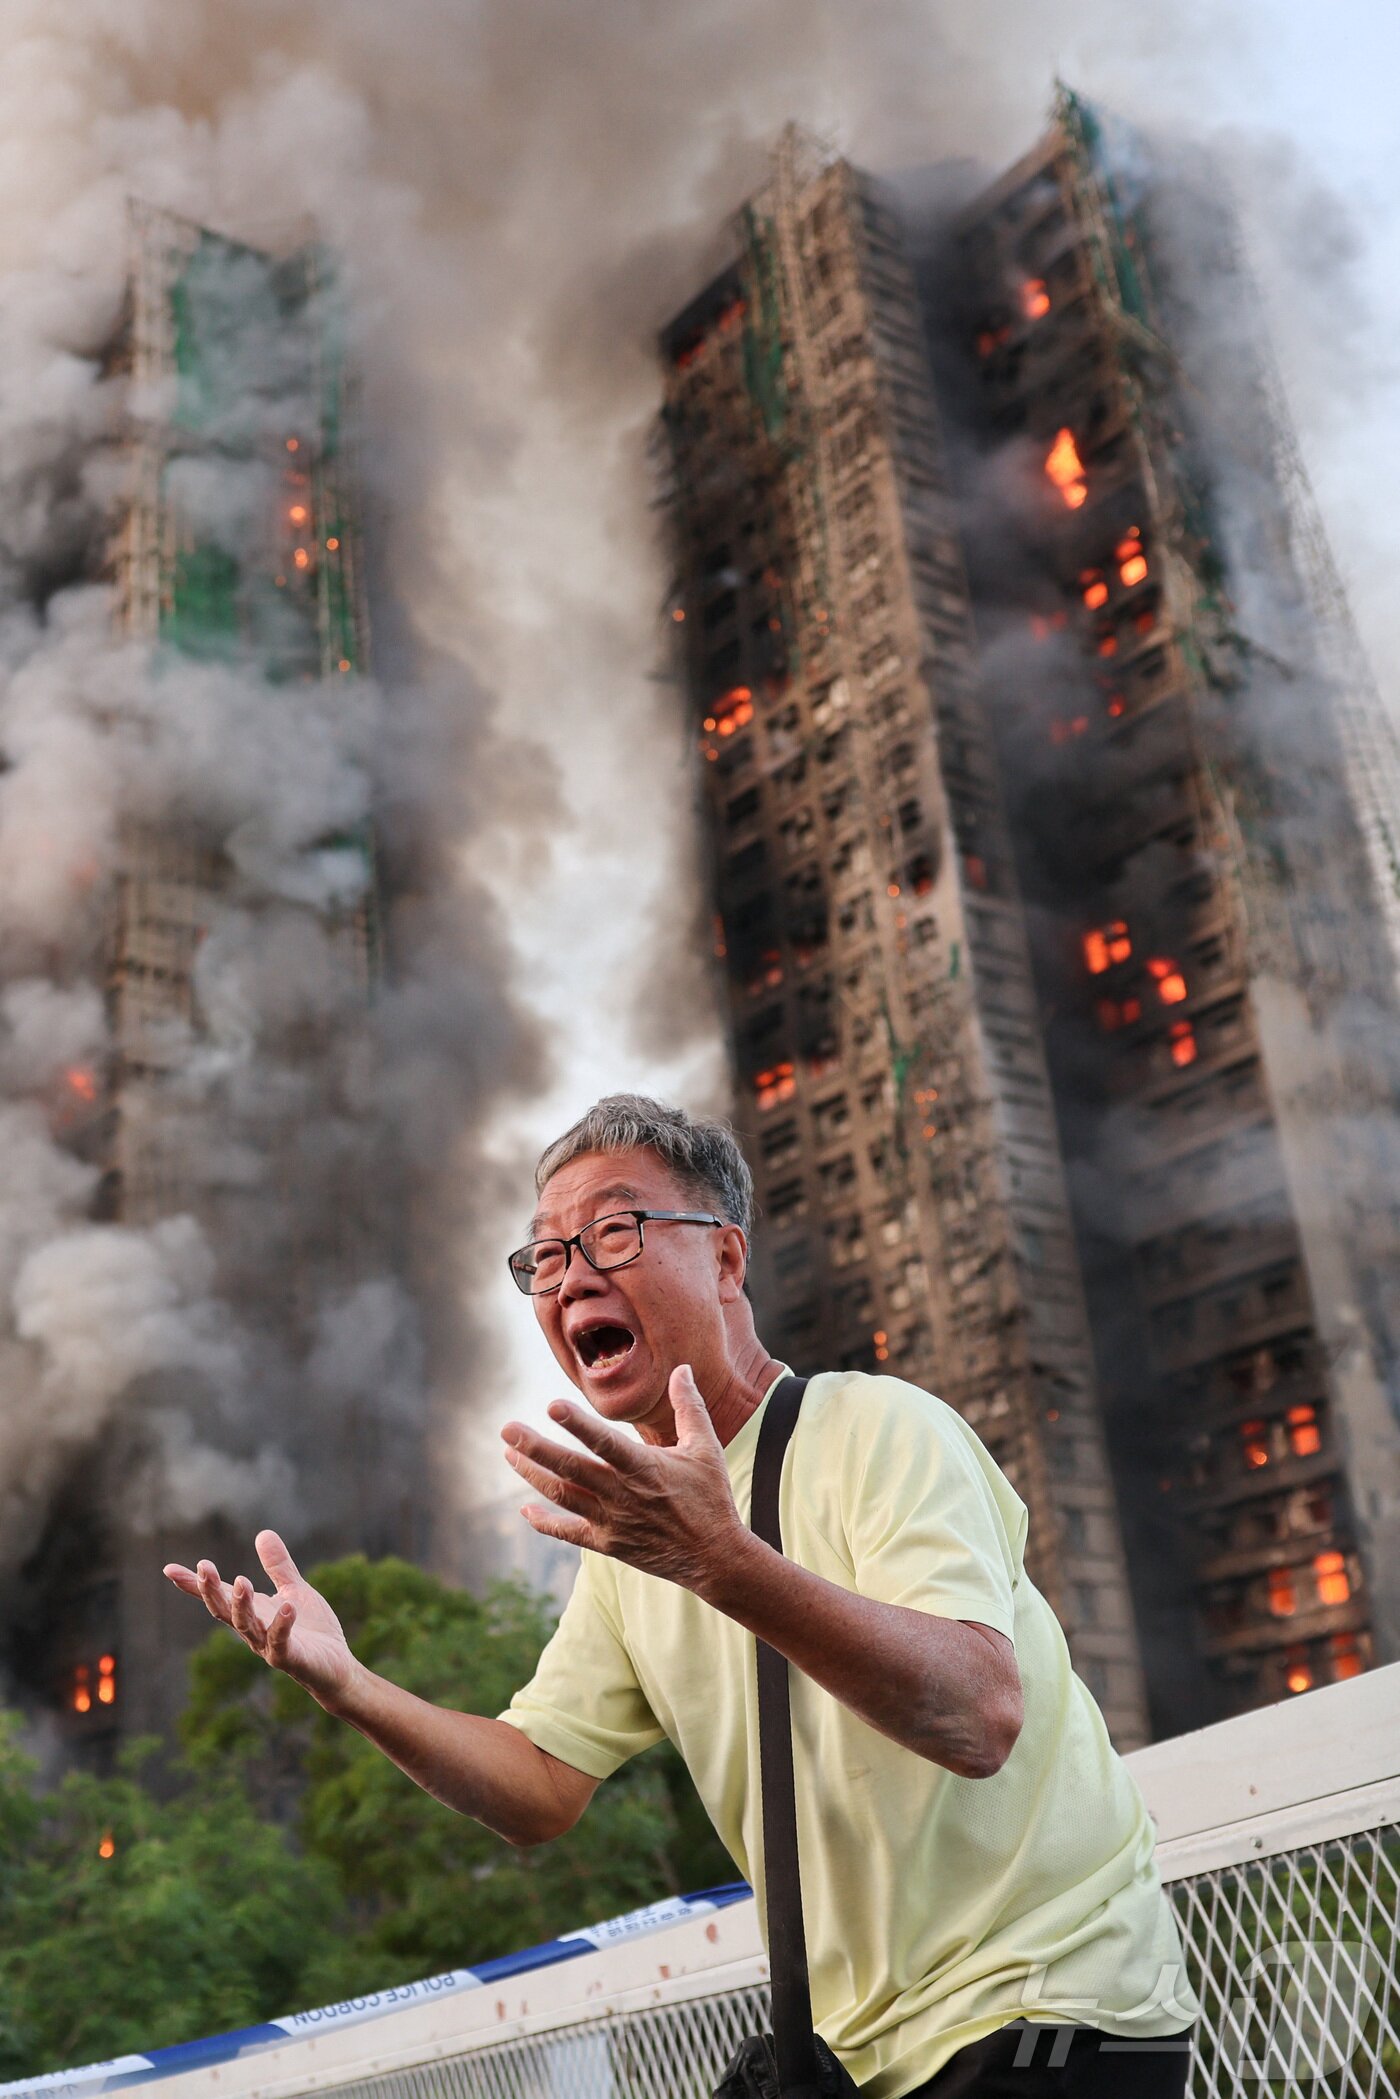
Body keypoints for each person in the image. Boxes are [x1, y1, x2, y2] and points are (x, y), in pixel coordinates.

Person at [166, 1094, 1197, 2097]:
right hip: (860, 2057)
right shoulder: (630, 1545)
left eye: (614, 1230)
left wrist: (719, 1558)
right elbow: (537, 1785)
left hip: (1047, 2014)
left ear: (725, 1256)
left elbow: (977, 1714)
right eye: (546, 1255)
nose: (572, 1275)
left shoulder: (880, 1428)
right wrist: (349, 1686)